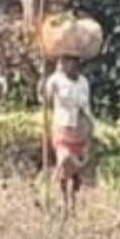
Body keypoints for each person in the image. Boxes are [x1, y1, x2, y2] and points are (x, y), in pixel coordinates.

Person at [41, 52, 94, 210]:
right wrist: (43, 85)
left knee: (77, 171)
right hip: (62, 127)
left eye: (72, 62)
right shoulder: (55, 80)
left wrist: (90, 127)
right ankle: (63, 200)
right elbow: (45, 98)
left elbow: (86, 106)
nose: (68, 65)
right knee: (64, 160)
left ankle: (73, 203)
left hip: (79, 129)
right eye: (65, 62)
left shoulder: (83, 82)